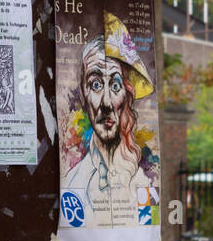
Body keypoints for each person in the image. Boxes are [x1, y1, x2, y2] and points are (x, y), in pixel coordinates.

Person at [63, 14, 156, 228]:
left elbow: (147, 226)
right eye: (95, 85)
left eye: (115, 86)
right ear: (84, 97)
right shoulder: (74, 184)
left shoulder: (146, 180)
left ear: (126, 97)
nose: (106, 103)